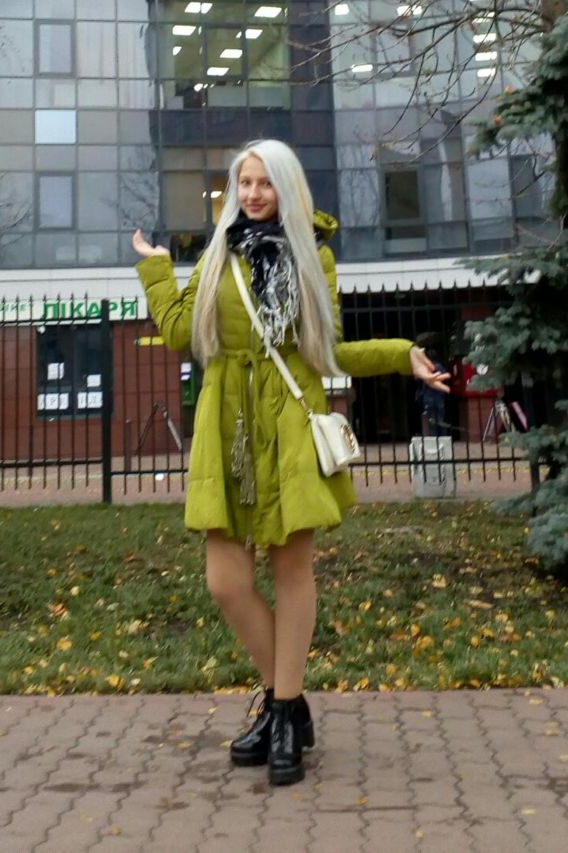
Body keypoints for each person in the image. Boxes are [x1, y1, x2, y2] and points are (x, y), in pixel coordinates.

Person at [132, 139, 449, 786]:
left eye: (264, 182)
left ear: (286, 187)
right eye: (244, 183)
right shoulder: (217, 254)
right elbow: (179, 333)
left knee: (291, 570)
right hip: (228, 426)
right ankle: (291, 705)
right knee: (225, 581)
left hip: (289, 423)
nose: (252, 194)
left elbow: (326, 350)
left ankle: (279, 712)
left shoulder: (313, 257)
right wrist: (158, 270)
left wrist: (400, 354)